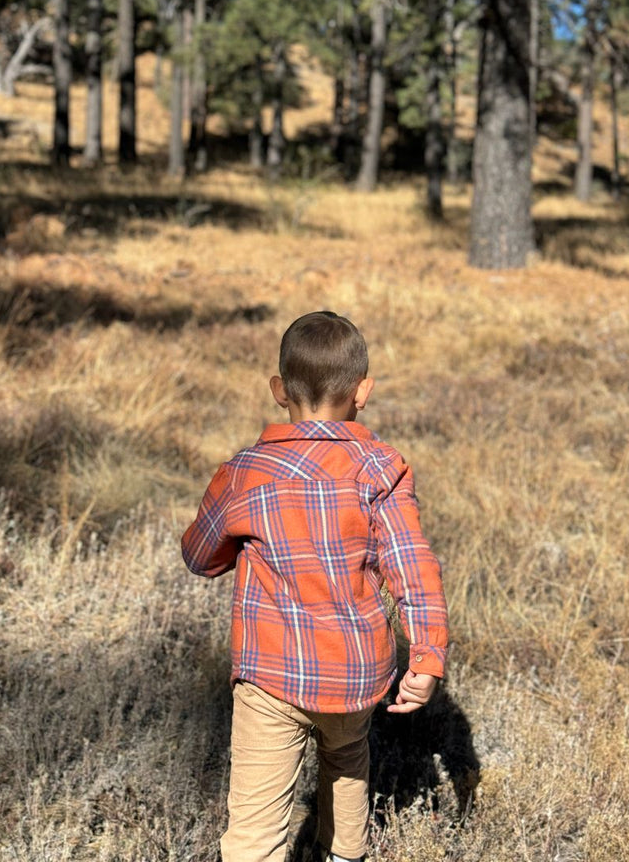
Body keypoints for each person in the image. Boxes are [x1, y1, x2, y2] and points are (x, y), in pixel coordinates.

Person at [181, 311, 448, 862]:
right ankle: (344, 853)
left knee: (256, 821)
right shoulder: (382, 469)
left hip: (270, 675)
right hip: (356, 672)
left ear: (279, 390)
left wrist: (236, 546)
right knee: (346, 760)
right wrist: (426, 655)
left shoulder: (245, 472)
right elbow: (413, 564)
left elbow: (199, 556)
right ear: (363, 392)